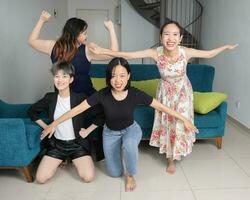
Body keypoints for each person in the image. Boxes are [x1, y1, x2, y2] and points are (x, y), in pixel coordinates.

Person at [88, 21, 238, 174]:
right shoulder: (156, 53)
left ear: (180, 38)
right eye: (166, 34)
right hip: (165, 93)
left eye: (175, 34)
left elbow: (209, 54)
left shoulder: (185, 52)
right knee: (168, 125)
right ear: (161, 37)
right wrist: (102, 51)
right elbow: (128, 55)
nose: (170, 38)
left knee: (179, 124)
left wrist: (225, 47)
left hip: (183, 93)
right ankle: (170, 159)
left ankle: (178, 151)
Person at [41, 57, 198, 191]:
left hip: (131, 129)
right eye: (114, 76)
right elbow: (76, 110)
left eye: (122, 75)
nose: (118, 80)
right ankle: (122, 154)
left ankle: (130, 174)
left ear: (128, 76)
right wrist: (53, 124)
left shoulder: (135, 94)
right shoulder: (102, 95)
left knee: (129, 145)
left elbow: (162, 107)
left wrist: (184, 119)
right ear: (109, 77)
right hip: (110, 133)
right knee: (114, 173)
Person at [28, 10, 119, 160]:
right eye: (84, 33)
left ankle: (102, 154)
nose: (86, 36)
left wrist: (111, 29)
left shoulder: (88, 50)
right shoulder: (54, 46)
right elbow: (32, 41)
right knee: (63, 121)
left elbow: (114, 53)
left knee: (107, 111)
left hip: (87, 95)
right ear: (74, 33)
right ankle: (60, 153)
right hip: (64, 97)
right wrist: (41, 20)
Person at [27, 62, 104, 184]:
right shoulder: (50, 98)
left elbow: (101, 114)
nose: (60, 80)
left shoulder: (80, 98)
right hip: (57, 145)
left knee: (88, 177)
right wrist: (47, 127)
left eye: (64, 76)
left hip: (77, 144)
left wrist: (88, 130)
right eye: (57, 76)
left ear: (71, 79)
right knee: (41, 179)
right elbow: (31, 111)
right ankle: (64, 159)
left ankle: (72, 159)